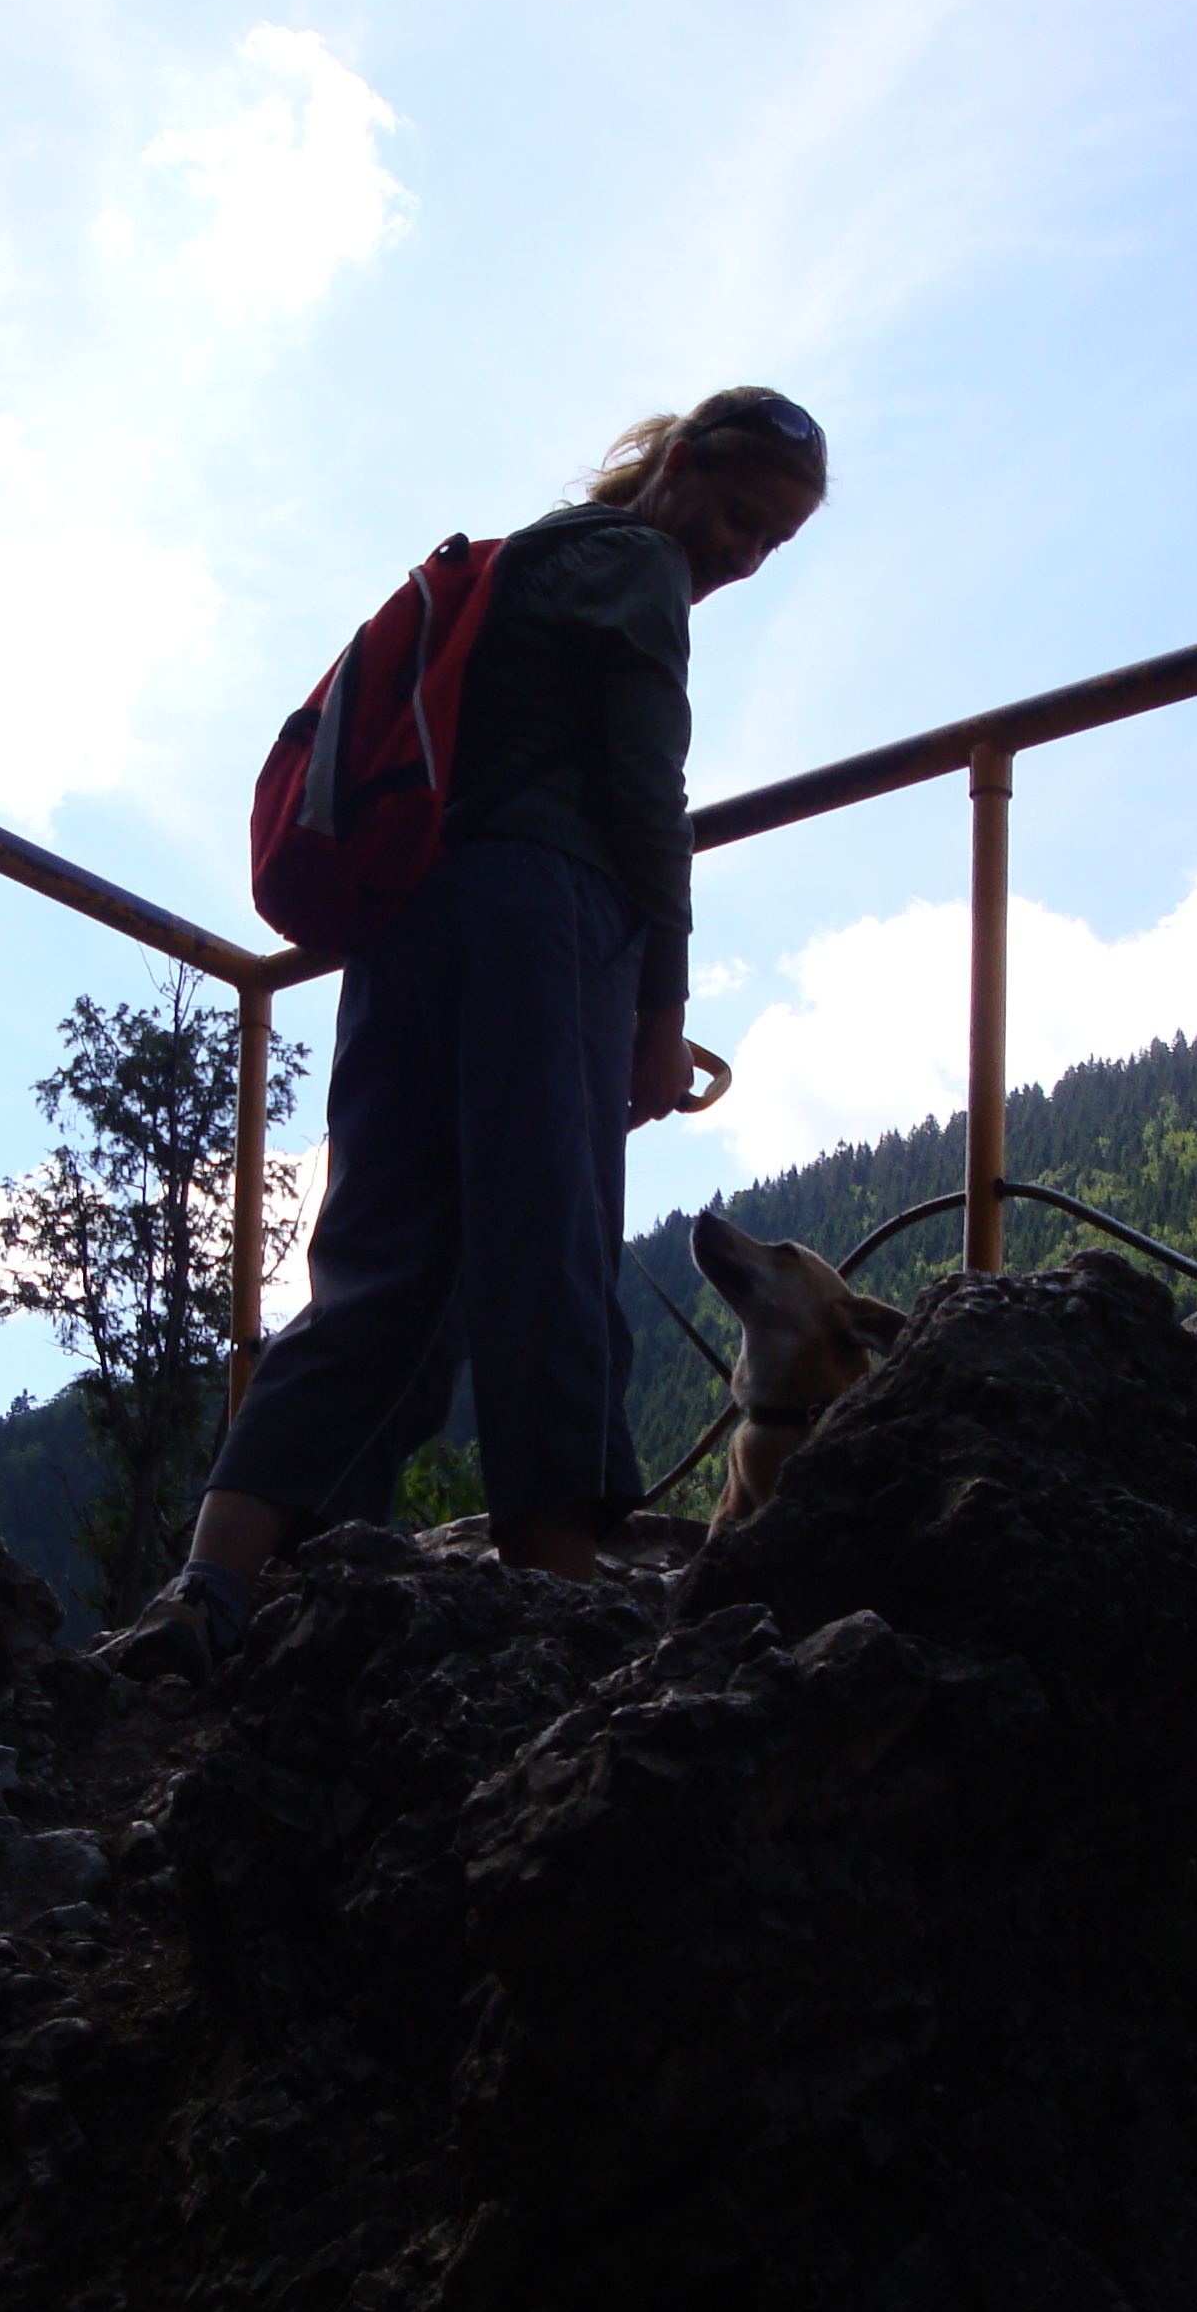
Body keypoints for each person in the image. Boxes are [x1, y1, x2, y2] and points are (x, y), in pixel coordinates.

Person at [99, 387, 829, 1677]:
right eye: (736, 515)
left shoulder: (524, 561)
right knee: (547, 1243)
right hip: (542, 923)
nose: (740, 554)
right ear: (676, 465)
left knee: (378, 1262)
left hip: (407, 928)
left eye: (771, 541)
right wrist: (661, 1015)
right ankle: (556, 1597)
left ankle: (215, 1586)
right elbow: (646, 794)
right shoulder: (637, 568)